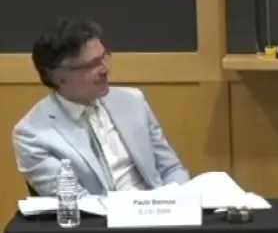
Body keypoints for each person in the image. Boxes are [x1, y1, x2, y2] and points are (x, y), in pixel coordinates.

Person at [13, 18, 190, 196]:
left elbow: (171, 169)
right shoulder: (31, 134)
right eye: (92, 65)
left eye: (103, 57)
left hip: (156, 206)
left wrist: (176, 201)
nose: (105, 69)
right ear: (58, 77)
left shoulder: (132, 101)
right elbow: (75, 202)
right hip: (95, 212)